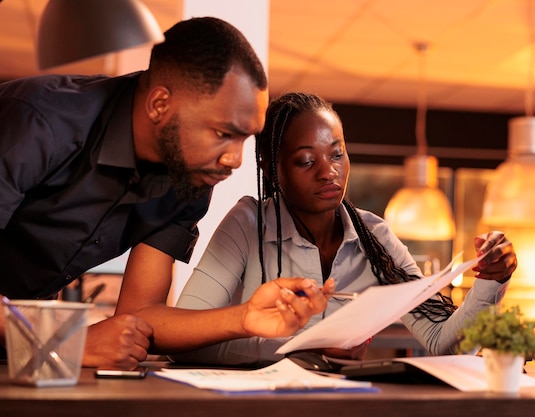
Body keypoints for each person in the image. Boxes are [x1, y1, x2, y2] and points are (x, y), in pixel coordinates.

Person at [0, 18, 330, 369]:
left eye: (244, 139)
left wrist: (245, 317)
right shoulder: (37, 124)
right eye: (223, 133)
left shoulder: (188, 179)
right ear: (160, 105)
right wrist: (61, 341)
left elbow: (140, 314)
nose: (234, 160)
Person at [170, 92, 518, 366]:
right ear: (272, 168)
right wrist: (305, 352)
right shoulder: (247, 224)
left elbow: (445, 344)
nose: (328, 172)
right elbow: (180, 340)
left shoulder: (375, 239)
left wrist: (490, 281)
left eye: (336, 154)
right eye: (307, 161)